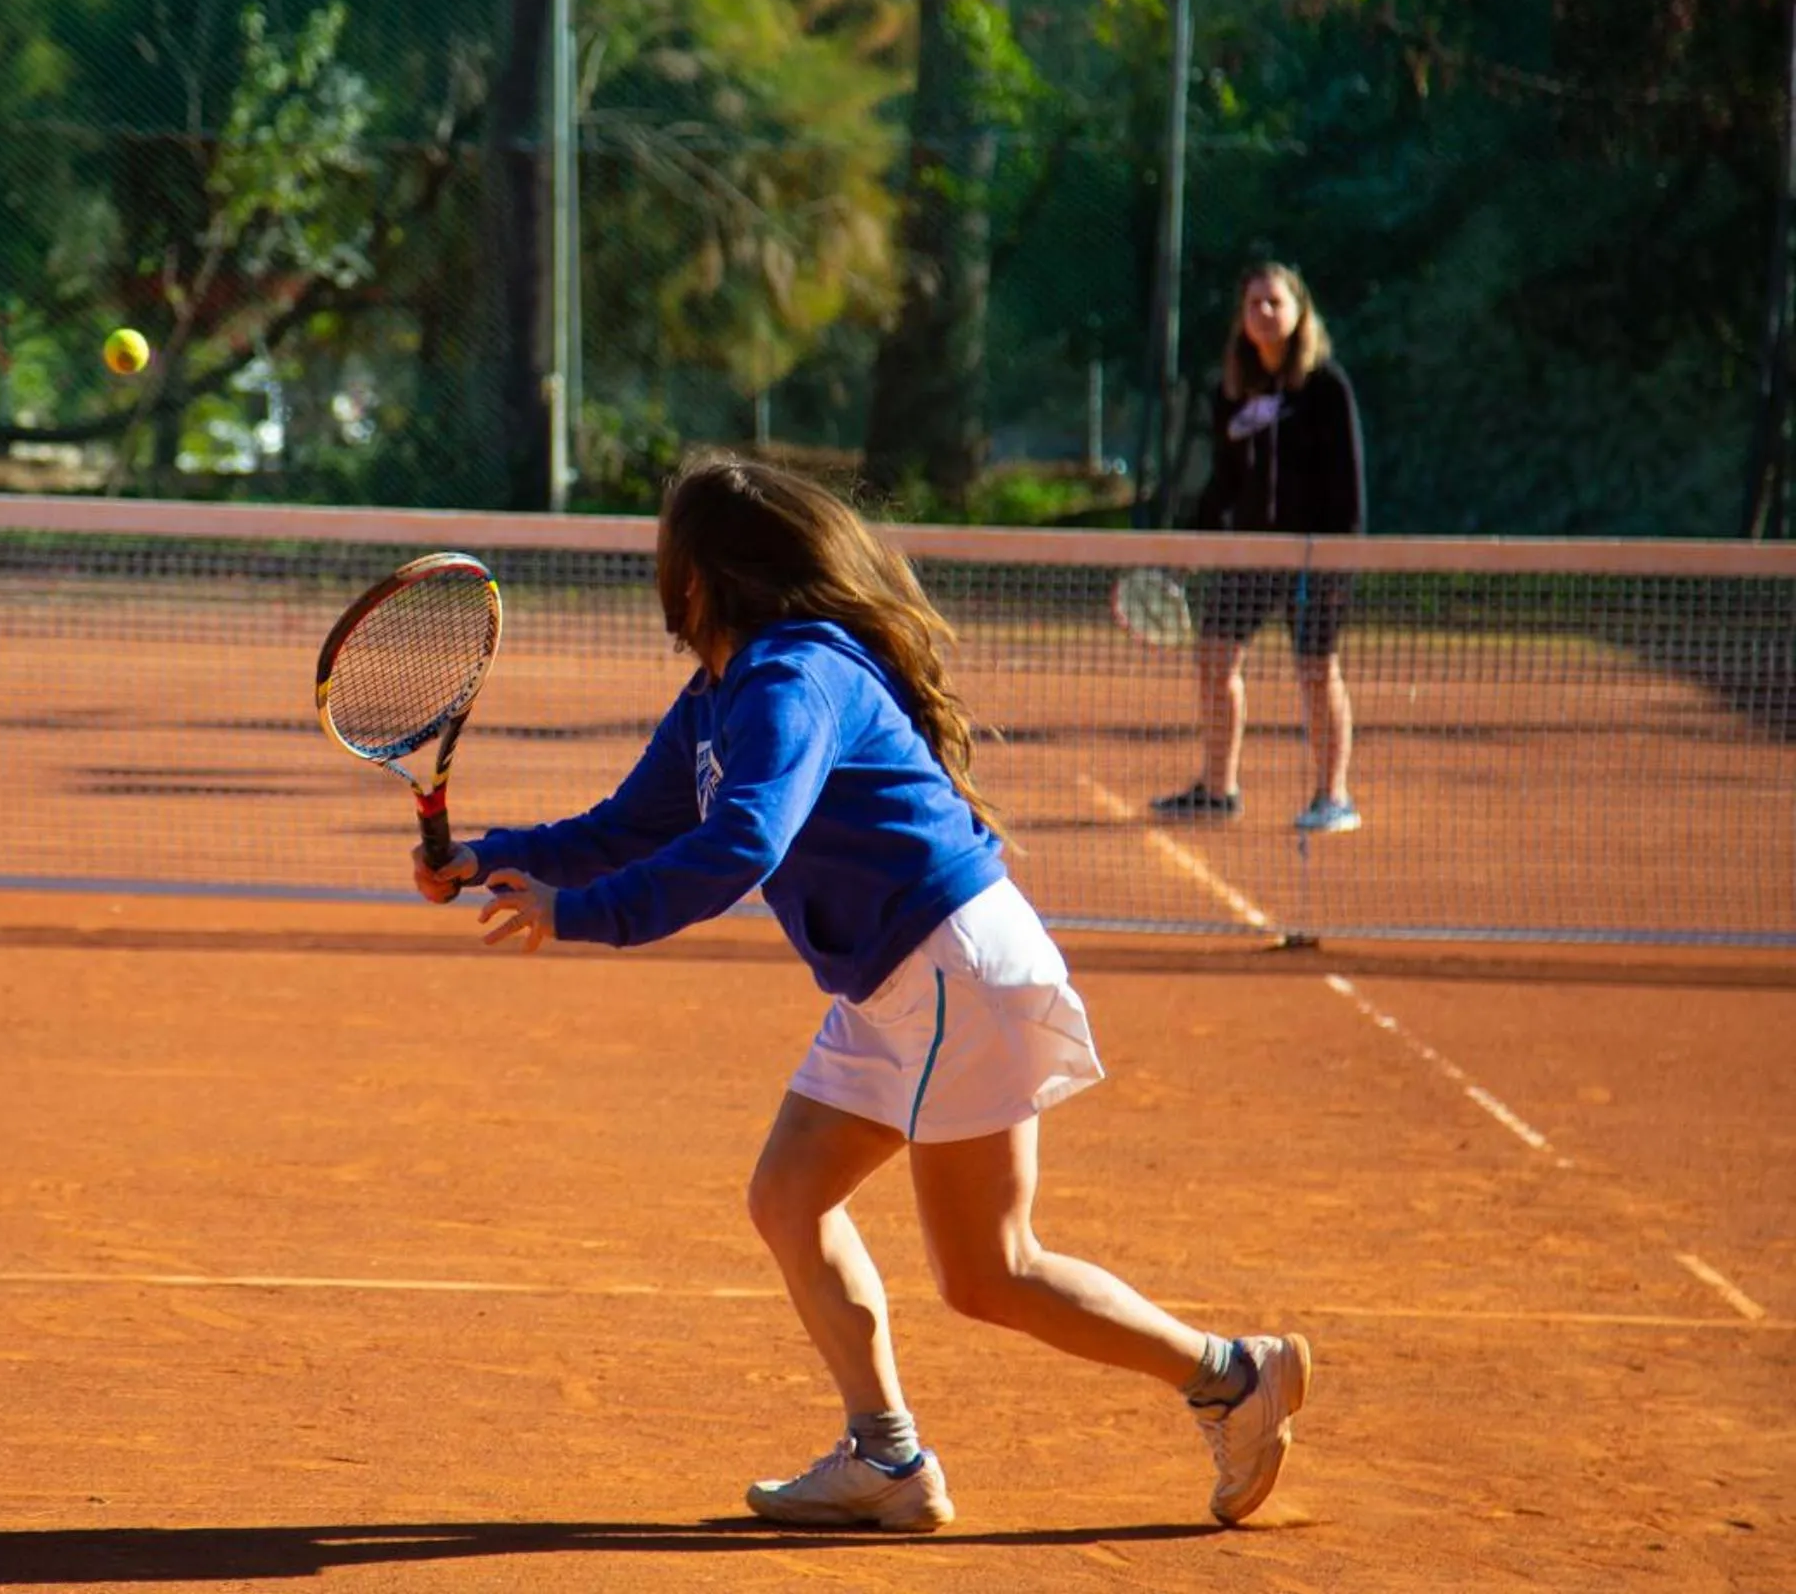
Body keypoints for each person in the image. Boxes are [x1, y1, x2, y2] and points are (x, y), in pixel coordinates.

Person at [412, 455, 1311, 1531]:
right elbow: (625, 827)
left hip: (946, 968)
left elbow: (741, 843)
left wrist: (578, 914)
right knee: (791, 1199)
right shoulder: (718, 698)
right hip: (909, 978)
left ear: (698, 578)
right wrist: (490, 857)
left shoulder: (791, 679)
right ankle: (888, 1459)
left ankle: (1228, 1377)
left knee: (990, 1271)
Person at [1152, 261, 1366, 835]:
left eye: (1276, 303)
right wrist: (1193, 545)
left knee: (1316, 670)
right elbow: (1224, 481)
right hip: (1249, 557)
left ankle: (1333, 796)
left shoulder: (1325, 387)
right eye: (1254, 305)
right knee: (1215, 658)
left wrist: (1335, 559)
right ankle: (1218, 789)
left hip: (1313, 556)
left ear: (1299, 313)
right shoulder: (1233, 390)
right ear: (1242, 318)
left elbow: (1348, 482)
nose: (1265, 314)